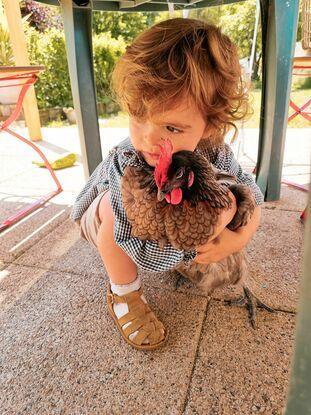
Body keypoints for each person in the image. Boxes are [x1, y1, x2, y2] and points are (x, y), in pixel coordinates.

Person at [70, 18, 264, 351]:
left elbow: (252, 195)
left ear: (209, 124)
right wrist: (200, 239)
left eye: (171, 128)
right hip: (116, 224)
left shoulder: (215, 151)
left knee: (229, 204)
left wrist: (235, 238)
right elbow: (143, 252)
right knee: (114, 217)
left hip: (169, 226)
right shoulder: (128, 163)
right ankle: (124, 294)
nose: (147, 138)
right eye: (137, 115)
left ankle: (188, 253)